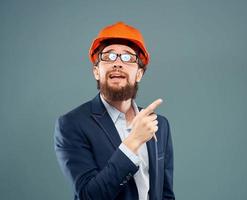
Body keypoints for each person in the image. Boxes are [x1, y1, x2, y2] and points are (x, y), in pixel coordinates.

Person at [54, 21, 175, 200]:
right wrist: (134, 141)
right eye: (109, 57)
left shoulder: (159, 124)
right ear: (96, 71)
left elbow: (165, 194)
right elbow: (89, 196)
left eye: (127, 57)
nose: (117, 63)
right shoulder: (71, 125)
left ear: (139, 74)